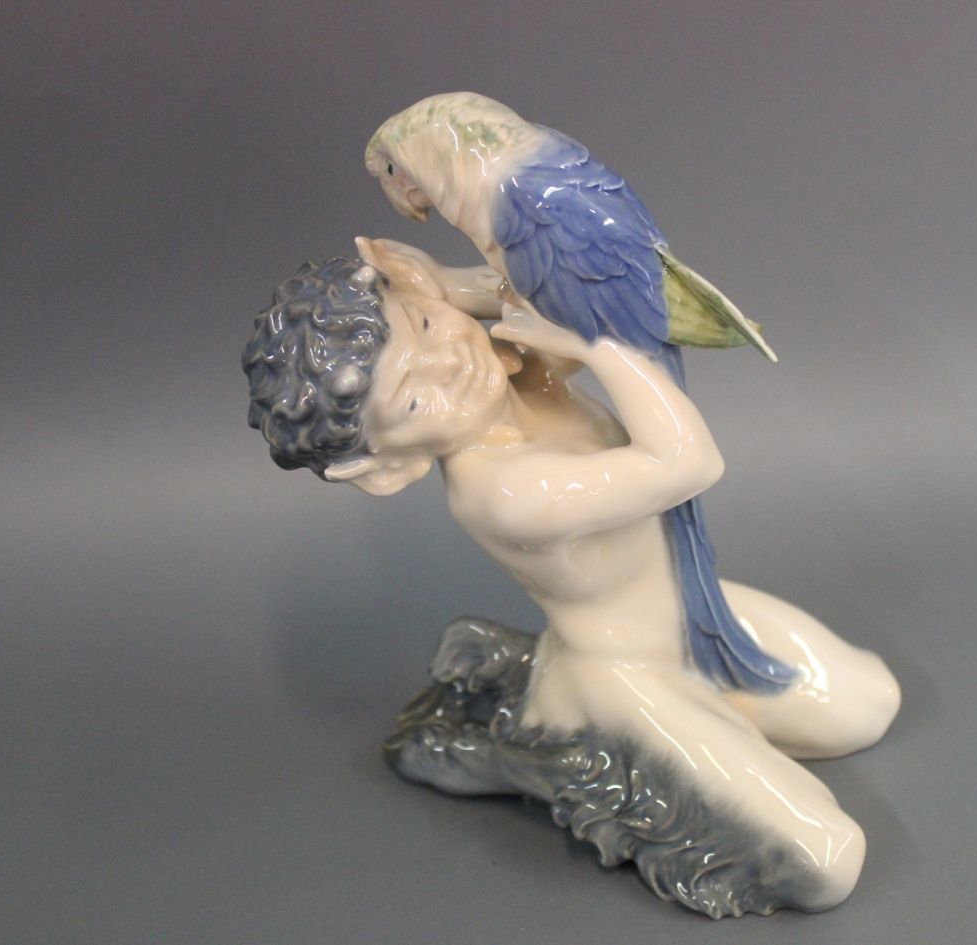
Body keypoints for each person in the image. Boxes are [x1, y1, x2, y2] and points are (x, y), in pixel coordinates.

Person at [243, 239, 901, 912]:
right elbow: (689, 463)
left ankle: (565, 714)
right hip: (622, 667)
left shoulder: (520, 376)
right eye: (414, 400)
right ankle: (545, 753)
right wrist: (602, 350)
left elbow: (562, 296)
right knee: (824, 863)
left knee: (868, 704)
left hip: (695, 618)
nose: (451, 363)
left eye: (428, 325)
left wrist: (446, 283)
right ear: (389, 465)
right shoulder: (505, 491)